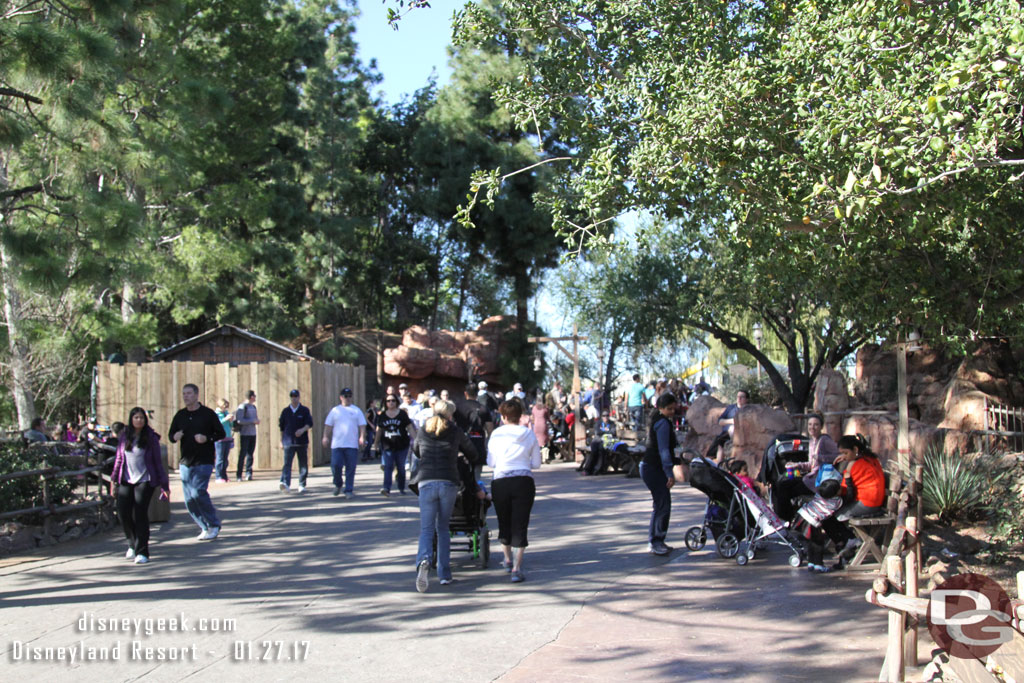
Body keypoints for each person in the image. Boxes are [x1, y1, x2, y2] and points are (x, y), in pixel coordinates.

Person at [411, 400, 482, 592]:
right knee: (443, 527)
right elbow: (472, 452)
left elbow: (416, 450)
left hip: (426, 480)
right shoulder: (455, 431)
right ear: (450, 414)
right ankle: (444, 574)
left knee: (426, 529)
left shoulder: (424, 428)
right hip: (448, 481)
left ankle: (424, 560)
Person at [487, 399, 542, 583]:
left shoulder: (496, 434)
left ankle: (507, 559)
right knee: (520, 523)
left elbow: (491, 462)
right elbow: (536, 464)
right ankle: (517, 568)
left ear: (503, 417)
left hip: (501, 479)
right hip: (523, 481)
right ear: (520, 417)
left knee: (504, 520)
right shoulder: (529, 434)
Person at [111, 407, 170, 564]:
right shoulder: (124, 437)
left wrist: (164, 485)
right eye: (136, 417)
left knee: (140, 513)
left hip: (145, 480)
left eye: (142, 418)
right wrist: (114, 480)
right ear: (131, 419)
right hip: (126, 479)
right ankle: (132, 542)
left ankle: (142, 551)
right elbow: (118, 459)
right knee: (123, 512)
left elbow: (158, 462)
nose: (139, 420)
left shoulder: (151, 438)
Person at [169, 383, 226, 540]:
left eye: (188, 393)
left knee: (198, 492)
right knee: (188, 499)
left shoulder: (207, 414)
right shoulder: (180, 415)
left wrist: (206, 438)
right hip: (186, 461)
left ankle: (214, 524)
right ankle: (204, 526)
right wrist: (175, 437)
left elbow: (220, 433)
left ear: (196, 395)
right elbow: (171, 435)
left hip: (204, 460)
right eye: (184, 394)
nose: (186, 396)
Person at [772, 413, 839, 522]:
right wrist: (796, 465)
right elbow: (811, 464)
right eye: (810, 424)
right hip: (811, 477)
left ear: (821, 427)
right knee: (780, 484)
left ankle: (785, 519)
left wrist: (821, 457)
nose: (812, 427)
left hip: (818, 481)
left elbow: (838, 455)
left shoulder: (825, 440)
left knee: (784, 488)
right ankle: (784, 517)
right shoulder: (812, 441)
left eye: (816, 425)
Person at [641, 392, 679, 555]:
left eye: (673, 409)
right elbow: (663, 449)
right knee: (662, 504)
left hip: (650, 466)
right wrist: (669, 472)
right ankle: (656, 540)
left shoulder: (658, 420)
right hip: (653, 467)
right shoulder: (663, 423)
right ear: (661, 408)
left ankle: (657, 539)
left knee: (661, 504)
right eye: (669, 409)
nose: (672, 412)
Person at [323, 387, 366, 498]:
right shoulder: (335, 410)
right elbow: (328, 425)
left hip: (351, 444)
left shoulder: (356, 410)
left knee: (350, 468)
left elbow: (362, 425)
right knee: (336, 466)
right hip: (337, 444)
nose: (348, 398)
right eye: (345, 396)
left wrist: (362, 437)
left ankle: (348, 489)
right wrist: (325, 437)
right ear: (341, 397)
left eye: (350, 396)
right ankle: (338, 483)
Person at [374, 394, 416, 495]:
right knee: (388, 467)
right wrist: (375, 443)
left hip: (401, 445)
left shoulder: (402, 414)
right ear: (385, 403)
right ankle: (386, 488)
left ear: (396, 402)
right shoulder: (382, 415)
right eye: (388, 401)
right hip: (387, 445)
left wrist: (416, 440)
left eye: (393, 400)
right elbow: (379, 430)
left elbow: (409, 427)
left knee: (401, 467)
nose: (391, 402)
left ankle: (401, 487)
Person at [279, 389, 314, 493]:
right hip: (288, 442)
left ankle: (302, 484)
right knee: (287, 463)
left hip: (301, 442)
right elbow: (281, 427)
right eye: (292, 397)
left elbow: (309, 424)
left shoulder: (304, 410)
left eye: (296, 396)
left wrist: (302, 430)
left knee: (303, 464)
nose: (294, 398)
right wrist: (281, 441)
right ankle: (286, 483)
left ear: (299, 397)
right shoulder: (285, 411)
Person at [455, 383, 493, 478]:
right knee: (476, 477)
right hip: (478, 443)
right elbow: (490, 429)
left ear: (465, 393)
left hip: (461, 444)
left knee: (461, 475)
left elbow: (453, 425)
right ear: (477, 394)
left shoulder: (457, 408)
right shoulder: (483, 408)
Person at [706, 389, 749, 460]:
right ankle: (718, 466)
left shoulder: (749, 409)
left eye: (742, 397)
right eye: (738, 396)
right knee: (720, 444)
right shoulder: (731, 408)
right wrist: (732, 421)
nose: (739, 399)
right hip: (727, 434)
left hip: (744, 435)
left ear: (747, 399)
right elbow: (720, 421)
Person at [234, 390, 259, 481]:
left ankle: (249, 473)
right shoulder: (242, 407)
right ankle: (239, 474)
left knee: (250, 454)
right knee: (243, 454)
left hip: (253, 433)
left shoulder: (253, 407)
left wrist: (256, 421)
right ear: (251, 397)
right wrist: (252, 421)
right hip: (245, 433)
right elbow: (240, 421)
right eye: (254, 396)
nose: (255, 398)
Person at [582, 411, 617, 476]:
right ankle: (587, 469)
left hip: (606, 441)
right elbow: (598, 432)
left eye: (607, 416)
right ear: (602, 417)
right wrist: (607, 431)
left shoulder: (612, 423)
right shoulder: (598, 423)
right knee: (594, 451)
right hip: (597, 440)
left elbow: (613, 432)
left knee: (602, 450)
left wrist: (604, 431)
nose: (605, 417)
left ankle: (597, 469)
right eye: (604, 416)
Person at [213, 399, 234, 484]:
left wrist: (231, 421)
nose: (225, 408)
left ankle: (224, 476)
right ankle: (218, 476)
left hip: (227, 437)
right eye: (224, 407)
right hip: (219, 439)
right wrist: (225, 419)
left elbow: (231, 425)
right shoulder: (216, 414)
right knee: (220, 458)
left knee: (225, 459)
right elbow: (217, 424)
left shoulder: (226, 413)